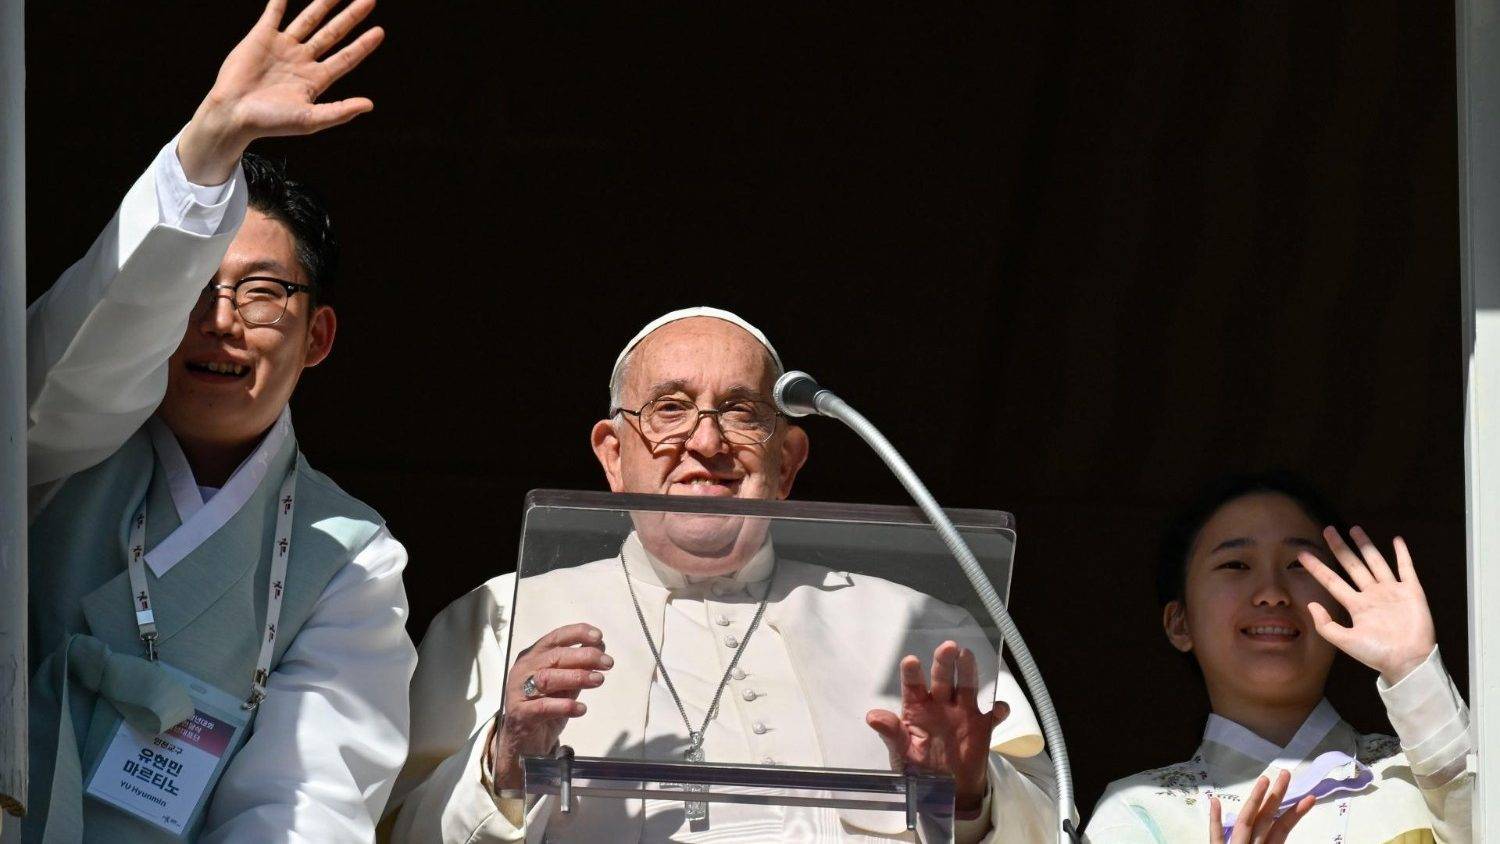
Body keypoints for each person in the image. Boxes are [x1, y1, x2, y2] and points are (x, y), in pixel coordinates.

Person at [383, 308, 1059, 842]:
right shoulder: (499, 618)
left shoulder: (916, 629)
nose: (705, 443)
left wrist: (970, 794)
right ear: (613, 455)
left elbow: (1054, 827)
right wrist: (503, 763)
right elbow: (389, 832)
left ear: (788, 461)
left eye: (740, 411)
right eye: (670, 408)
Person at [23, 1, 415, 840]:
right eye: (196, 291)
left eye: (262, 292)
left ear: (318, 337)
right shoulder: (53, 447)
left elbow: (304, 803)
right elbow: (78, 355)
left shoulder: (349, 552)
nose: (223, 320)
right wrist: (207, 150)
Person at [1084, 474, 1472, 843]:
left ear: (1340, 607)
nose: (1272, 593)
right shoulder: (1136, 810)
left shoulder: (1423, 777)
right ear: (1180, 623)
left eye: (1299, 565)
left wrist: (1414, 669)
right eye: (1236, 565)